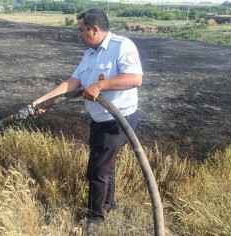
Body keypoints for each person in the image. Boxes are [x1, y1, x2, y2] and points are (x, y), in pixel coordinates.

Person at [31, 8, 143, 231]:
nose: (79, 34)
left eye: (81, 30)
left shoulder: (122, 46)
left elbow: (135, 78)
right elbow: (72, 83)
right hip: (99, 119)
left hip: (118, 119)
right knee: (105, 165)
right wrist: (43, 101)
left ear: (95, 29)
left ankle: (95, 219)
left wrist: (100, 85)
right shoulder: (89, 54)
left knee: (97, 170)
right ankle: (108, 206)